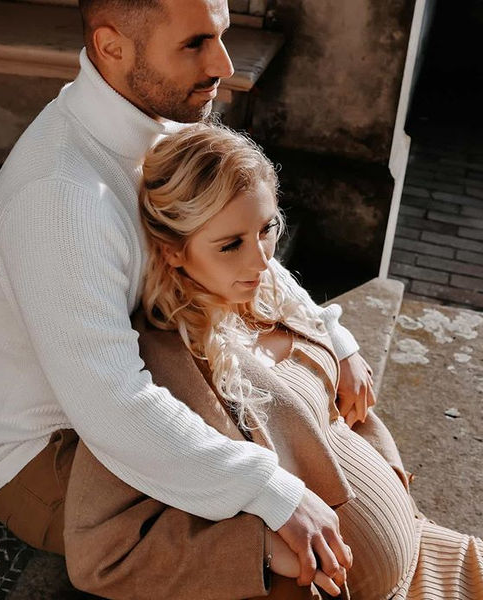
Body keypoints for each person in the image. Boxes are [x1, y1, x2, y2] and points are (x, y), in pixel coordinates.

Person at [0, 0, 370, 586]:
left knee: (306, 381)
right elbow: (112, 404)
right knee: (293, 563)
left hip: (146, 380)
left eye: (221, 35)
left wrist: (332, 334)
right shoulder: (61, 199)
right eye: (194, 44)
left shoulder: (164, 120)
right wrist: (269, 489)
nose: (223, 65)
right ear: (111, 47)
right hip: (52, 458)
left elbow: (244, 239)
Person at [63, 123, 483, 600]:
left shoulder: (265, 297)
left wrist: (389, 471)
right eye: (231, 244)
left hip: (431, 548)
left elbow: (335, 418)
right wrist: (259, 549)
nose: (263, 261)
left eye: (267, 229)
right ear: (174, 251)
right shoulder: (160, 367)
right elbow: (100, 555)